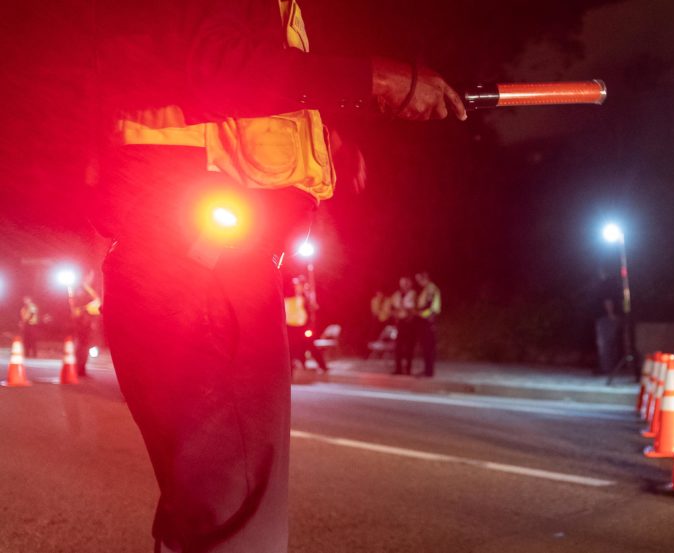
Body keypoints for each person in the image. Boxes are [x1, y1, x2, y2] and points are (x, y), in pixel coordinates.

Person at [91, 2, 466, 551]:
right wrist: (375, 76)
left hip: (178, 254)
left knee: (206, 512)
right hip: (205, 267)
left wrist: (327, 136)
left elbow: (221, 81)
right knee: (235, 519)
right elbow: (221, 66)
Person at [284, 277, 328, 373]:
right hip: (291, 326)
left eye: (300, 285)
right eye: (297, 285)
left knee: (310, 345)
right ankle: (290, 370)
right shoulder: (288, 296)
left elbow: (309, 311)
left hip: (303, 326)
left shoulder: (305, 297)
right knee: (291, 348)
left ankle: (323, 366)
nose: (298, 287)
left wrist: (309, 324)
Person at [69, 270, 102, 377]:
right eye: (90, 275)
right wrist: (88, 308)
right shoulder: (81, 290)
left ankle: (81, 367)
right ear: (86, 276)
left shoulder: (87, 289)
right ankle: (79, 368)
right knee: (82, 346)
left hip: (87, 321)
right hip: (82, 322)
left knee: (84, 345)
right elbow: (79, 308)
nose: (92, 278)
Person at [414, 271, 441, 378]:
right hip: (426, 320)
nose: (419, 282)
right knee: (426, 347)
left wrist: (420, 314)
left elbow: (429, 307)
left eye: (419, 280)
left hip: (428, 321)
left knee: (428, 347)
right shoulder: (427, 289)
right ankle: (427, 370)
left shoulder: (430, 288)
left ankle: (428, 372)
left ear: (425, 278)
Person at [391, 276, 416, 376]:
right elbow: (392, 307)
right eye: (402, 283)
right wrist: (395, 313)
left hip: (409, 323)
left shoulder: (413, 294)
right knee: (398, 346)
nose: (404, 285)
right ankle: (398, 369)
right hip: (400, 322)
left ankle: (408, 369)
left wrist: (406, 311)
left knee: (409, 347)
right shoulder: (397, 294)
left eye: (406, 283)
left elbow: (413, 308)